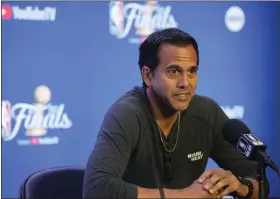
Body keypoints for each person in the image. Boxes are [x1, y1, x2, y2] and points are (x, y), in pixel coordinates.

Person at [83, 28, 269, 199]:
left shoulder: (207, 112)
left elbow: (260, 183)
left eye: (192, 71)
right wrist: (185, 195)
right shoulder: (126, 114)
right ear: (148, 75)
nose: (185, 83)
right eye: (173, 72)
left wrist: (240, 186)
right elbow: (97, 189)